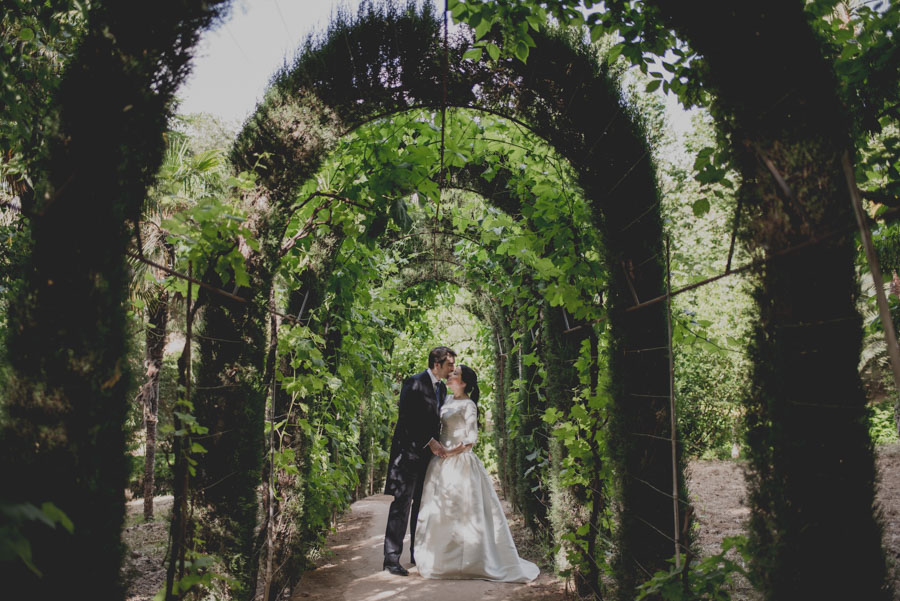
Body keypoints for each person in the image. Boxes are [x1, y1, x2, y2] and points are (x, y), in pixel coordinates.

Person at [414, 364, 539, 582]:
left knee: (463, 509)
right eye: (451, 373)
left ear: (463, 383)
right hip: (441, 462)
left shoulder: (469, 405)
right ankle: (442, 559)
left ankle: (471, 561)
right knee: (440, 511)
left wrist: (448, 451)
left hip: (459, 460)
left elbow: (471, 440)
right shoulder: (445, 399)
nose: (450, 375)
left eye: (455, 374)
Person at [383, 346, 457, 576]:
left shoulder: (442, 389)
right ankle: (391, 559)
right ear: (437, 364)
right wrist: (430, 441)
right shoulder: (413, 382)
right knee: (401, 505)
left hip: (429, 459)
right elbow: (406, 419)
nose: (452, 369)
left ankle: (418, 553)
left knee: (421, 506)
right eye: (450, 365)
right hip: (408, 456)